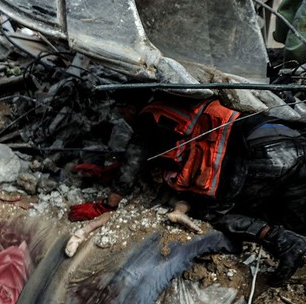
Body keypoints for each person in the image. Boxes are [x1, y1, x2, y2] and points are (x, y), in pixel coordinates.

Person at [69, 94, 306, 288]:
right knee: (294, 213)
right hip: (286, 138)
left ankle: (279, 240)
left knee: (212, 212)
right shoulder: (182, 100)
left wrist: (107, 205)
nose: (125, 119)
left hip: (256, 158)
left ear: (129, 106)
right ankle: (296, 247)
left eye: (123, 114)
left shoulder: (148, 119)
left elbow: (133, 162)